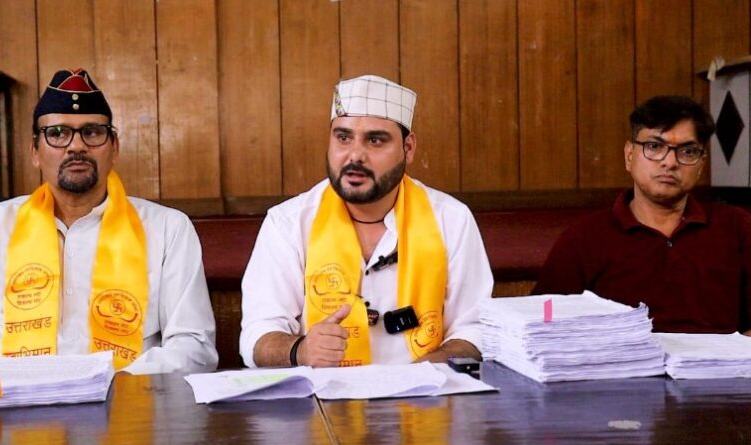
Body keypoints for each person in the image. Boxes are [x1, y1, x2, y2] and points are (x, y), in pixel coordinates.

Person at [0, 68, 218, 380]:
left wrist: (111, 386)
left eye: (92, 132)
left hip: (130, 401)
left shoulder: (168, 229)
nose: (76, 146)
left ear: (114, 148)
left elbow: (193, 345)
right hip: (9, 404)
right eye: (57, 133)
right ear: (35, 152)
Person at [239, 74, 493, 368]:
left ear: (408, 148)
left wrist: (420, 376)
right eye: (343, 138)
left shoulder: (451, 220)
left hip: (429, 391)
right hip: (321, 393)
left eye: (375, 140)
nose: (355, 156)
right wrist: (300, 350)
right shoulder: (288, 222)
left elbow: (474, 330)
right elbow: (256, 338)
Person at [534, 95, 751, 334]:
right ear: (629, 156)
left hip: (721, 358)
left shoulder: (737, 227)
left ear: (701, 164)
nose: (670, 162)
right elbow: (542, 322)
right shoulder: (584, 238)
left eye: (687, 151)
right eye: (655, 147)